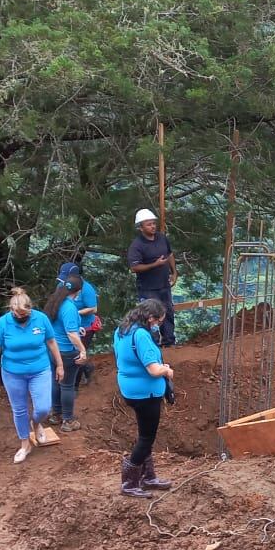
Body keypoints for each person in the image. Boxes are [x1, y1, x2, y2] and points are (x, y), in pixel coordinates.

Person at [0, 288, 66, 464]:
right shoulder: (3, 323)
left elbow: (51, 342)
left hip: (40, 369)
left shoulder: (41, 319)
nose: (20, 316)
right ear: (11, 310)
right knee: (19, 409)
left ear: (30, 309)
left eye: (24, 313)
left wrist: (60, 365)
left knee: (43, 408)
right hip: (12, 373)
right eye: (17, 313)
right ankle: (25, 444)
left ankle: (36, 423)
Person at [113, 299, 176, 498]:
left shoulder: (122, 330)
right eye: (159, 321)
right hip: (146, 394)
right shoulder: (141, 335)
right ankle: (129, 483)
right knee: (146, 439)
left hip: (129, 389)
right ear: (150, 318)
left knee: (144, 435)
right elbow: (153, 369)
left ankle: (148, 477)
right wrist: (166, 370)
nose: (159, 325)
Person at [43, 269, 87, 432]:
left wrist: (77, 328)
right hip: (67, 351)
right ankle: (68, 420)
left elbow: (59, 326)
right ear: (78, 291)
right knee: (67, 385)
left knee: (56, 381)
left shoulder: (55, 301)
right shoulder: (69, 307)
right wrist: (82, 350)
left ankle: (56, 414)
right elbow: (71, 334)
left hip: (52, 349)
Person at [127, 208, 177, 347]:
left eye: (153, 223)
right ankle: (152, 344)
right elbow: (134, 267)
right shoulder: (137, 245)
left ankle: (169, 342)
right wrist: (155, 264)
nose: (153, 226)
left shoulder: (162, 238)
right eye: (149, 224)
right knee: (150, 316)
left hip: (164, 285)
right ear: (141, 227)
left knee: (168, 313)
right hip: (148, 288)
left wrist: (174, 272)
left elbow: (170, 254)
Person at [61, 262, 99, 386]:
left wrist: (74, 313)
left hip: (85, 326)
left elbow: (93, 309)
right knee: (69, 351)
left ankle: (74, 385)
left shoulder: (86, 288)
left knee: (78, 353)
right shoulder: (61, 285)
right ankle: (87, 367)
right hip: (66, 324)